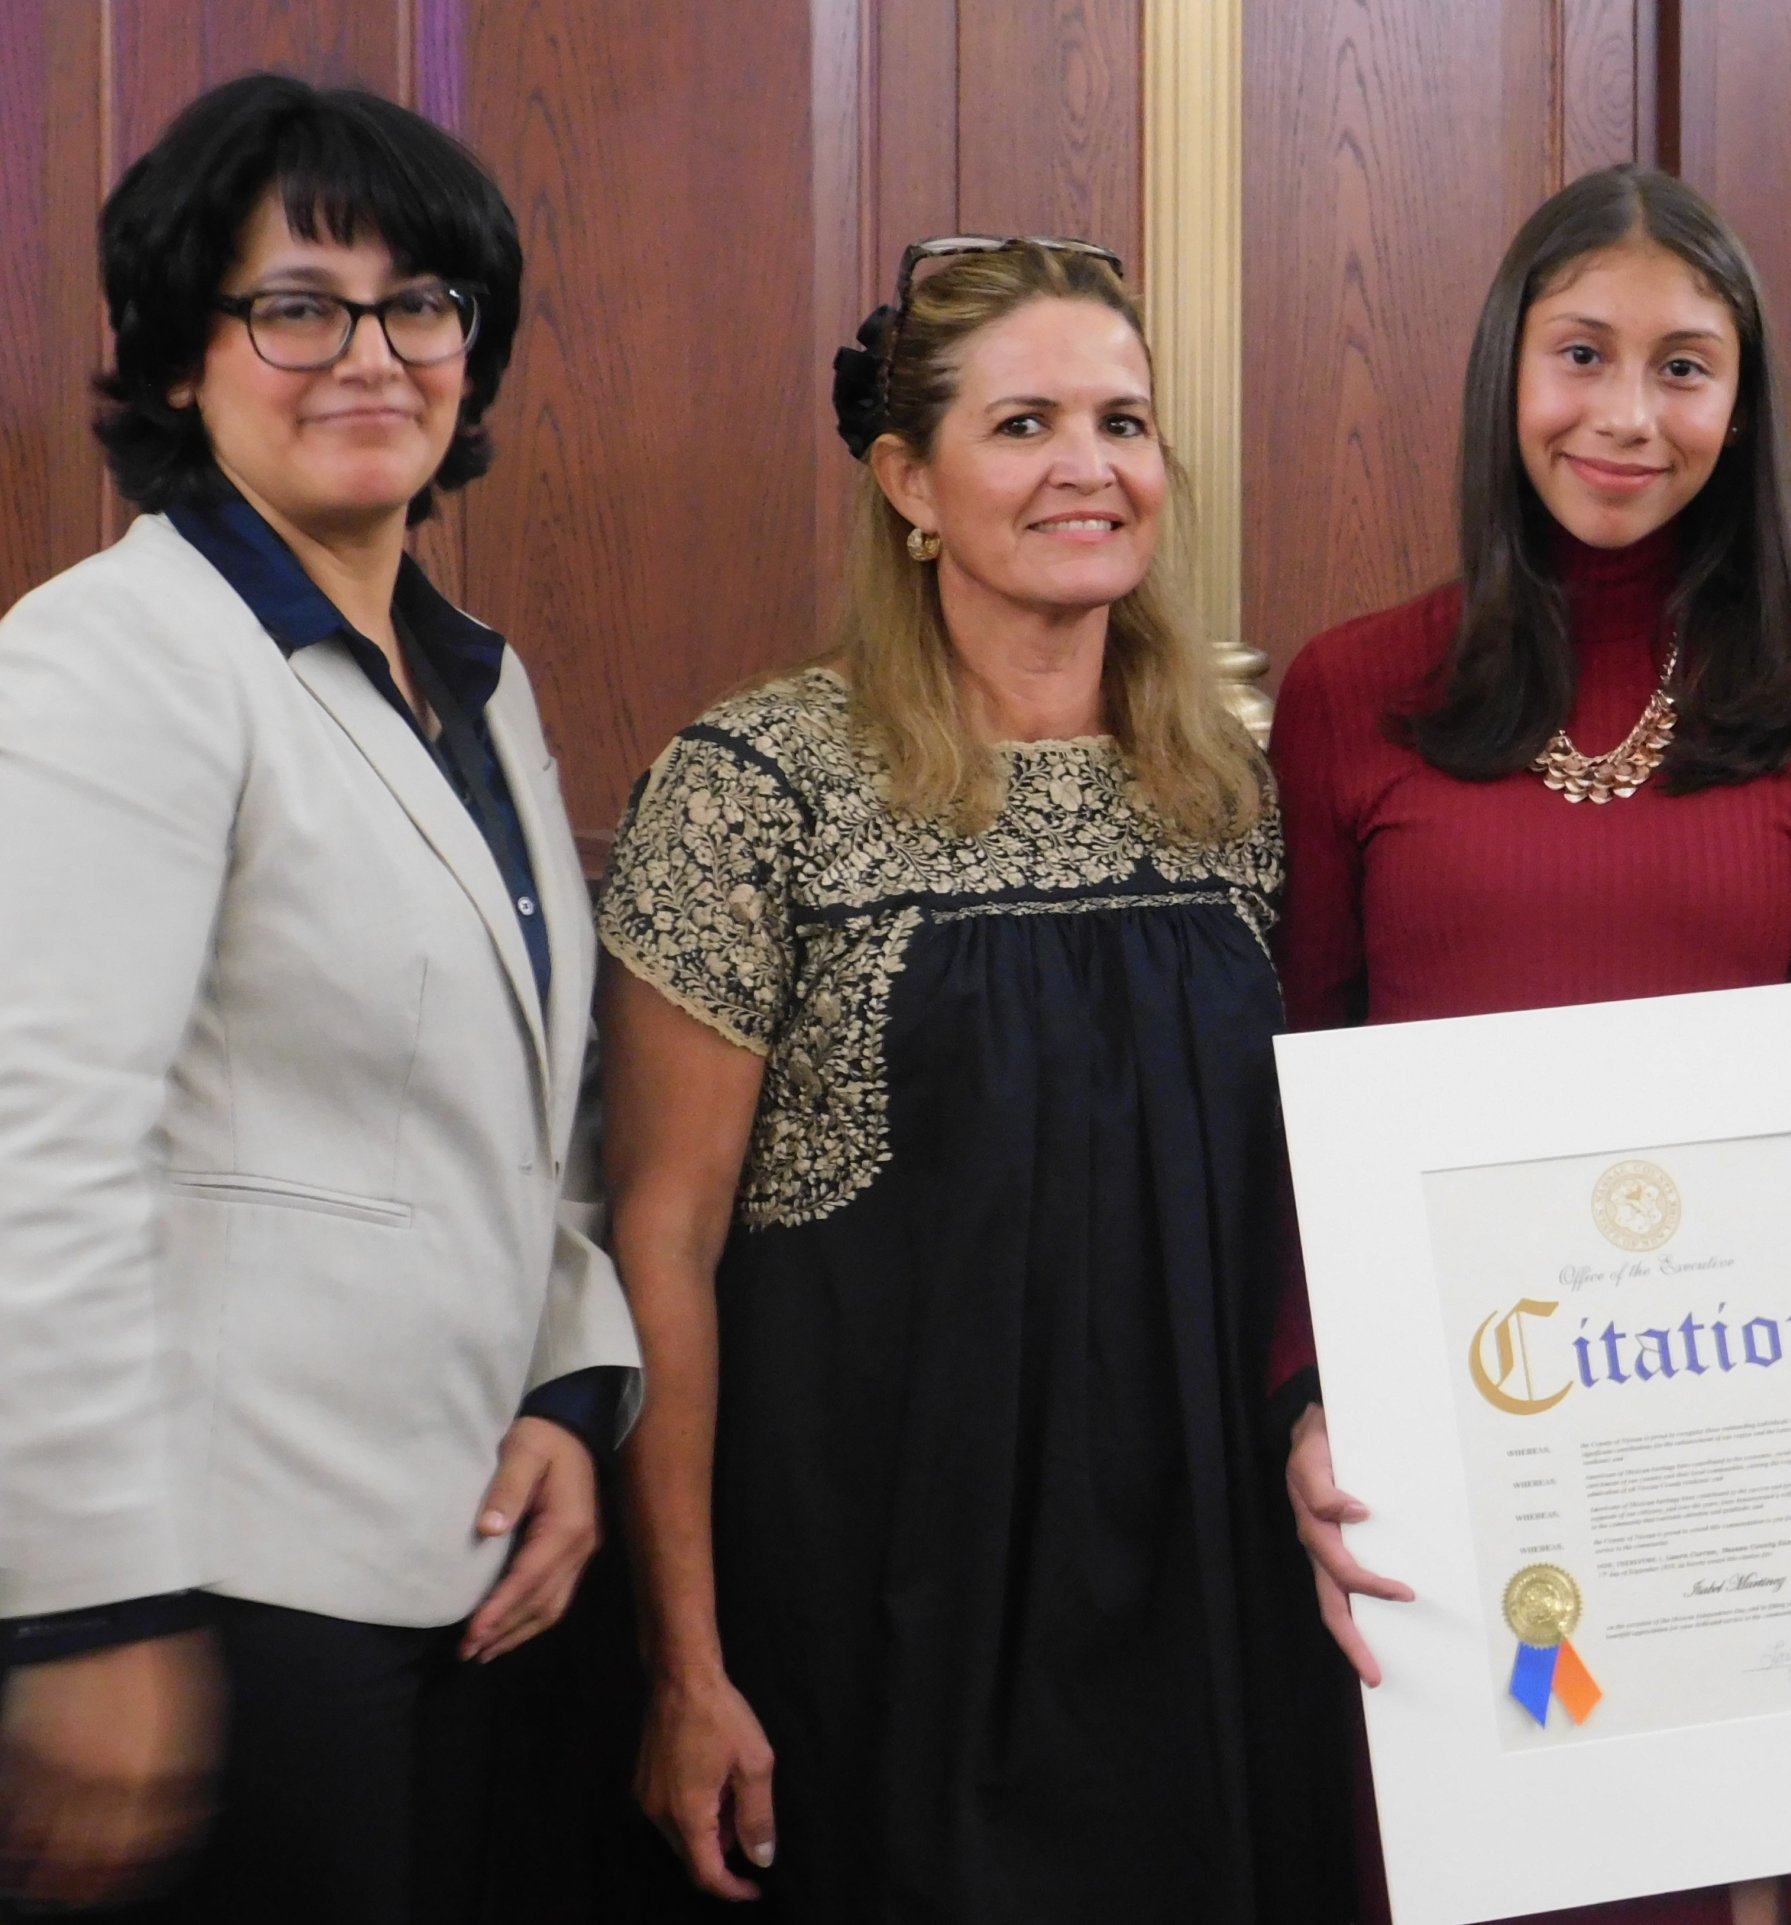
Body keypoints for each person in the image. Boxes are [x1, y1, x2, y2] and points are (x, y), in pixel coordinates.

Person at [599, 236, 1343, 1920]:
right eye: (1024, 425)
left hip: (1205, 1602)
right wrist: (685, 1665)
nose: (1091, 464)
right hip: (879, 1604)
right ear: (906, 481)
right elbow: (662, 1248)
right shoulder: (755, 786)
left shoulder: (1245, 786)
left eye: (1124, 420)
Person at [0, 74, 640, 1922]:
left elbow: (522, 1107)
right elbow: (39, 1156)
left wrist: (571, 1384)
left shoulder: (476, 684)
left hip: (457, 1552)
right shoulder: (115, 661)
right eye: (295, 305)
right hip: (213, 1589)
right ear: (180, 356)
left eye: (419, 303)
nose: (370, 352)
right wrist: (93, 1606)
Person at [1269, 165, 1791, 1925]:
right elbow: (1303, 1081)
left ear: (1744, 398)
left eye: (1687, 366)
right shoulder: (1351, 690)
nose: (1629, 416)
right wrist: (1311, 1407)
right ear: (1505, 373)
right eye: (1583, 355)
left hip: (1731, 1465)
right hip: (1444, 1454)